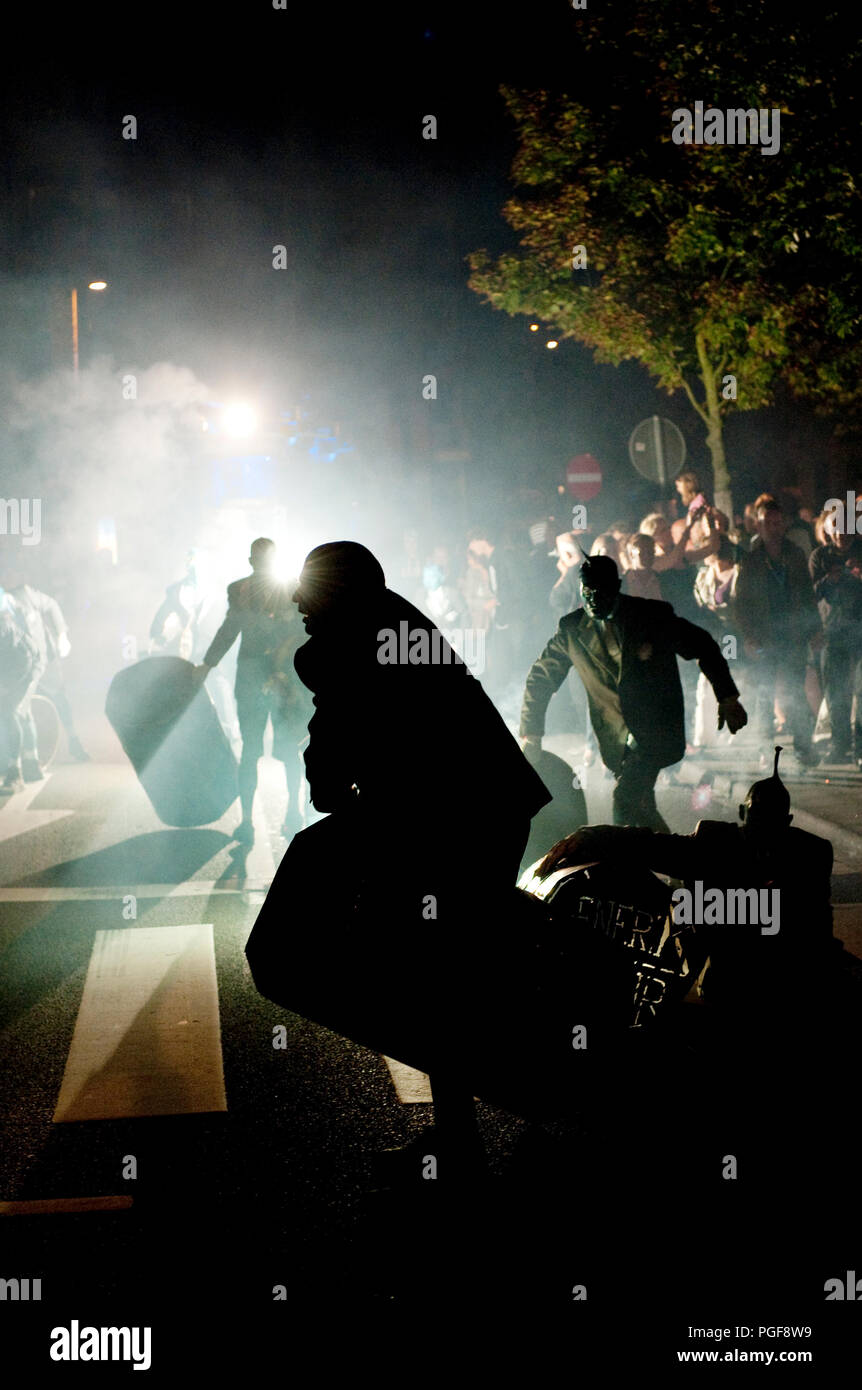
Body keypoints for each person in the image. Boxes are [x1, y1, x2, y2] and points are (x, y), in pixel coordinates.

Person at [245, 540, 552, 1177]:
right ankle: (485, 1125)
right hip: (483, 808)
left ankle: (480, 1132)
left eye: (309, 589)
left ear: (336, 594)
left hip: (456, 818)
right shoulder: (395, 622)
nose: (298, 601)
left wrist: (328, 762)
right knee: (452, 968)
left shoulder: (352, 642)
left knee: (430, 970)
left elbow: (330, 771)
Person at [519, 554, 747, 830]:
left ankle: (627, 868)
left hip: (656, 731)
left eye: (600, 590)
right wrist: (531, 732)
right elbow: (541, 677)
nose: (592, 598)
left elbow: (702, 645)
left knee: (624, 801)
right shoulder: (572, 630)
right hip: (615, 739)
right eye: (586, 590)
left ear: (616, 586)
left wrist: (728, 697)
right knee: (642, 810)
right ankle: (681, 867)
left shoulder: (651, 615)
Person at [194, 538, 304, 844]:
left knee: (285, 750)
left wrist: (207, 664)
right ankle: (254, 819)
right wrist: (208, 663)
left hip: (283, 680)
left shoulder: (289, 589)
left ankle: (288, 814)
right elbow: (229, 629)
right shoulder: (242, 591)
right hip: (263, 680)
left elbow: (302, 631)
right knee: (260, 751)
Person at [735, 496, 822, 768]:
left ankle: (803, 746)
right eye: (767, 523)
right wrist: (748, 636)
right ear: (758, 526)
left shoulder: (795, 555)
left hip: (792, 633)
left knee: (795, 690)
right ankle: (765, 748)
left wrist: (814, 630)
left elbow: (808, 596)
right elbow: (741, 603)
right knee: (765, 692)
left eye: (777, 522)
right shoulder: (751, 561)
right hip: (763, 635)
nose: (774, 527)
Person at [808, 509, 862, 763]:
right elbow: (810, 594)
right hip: (832, 632)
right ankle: (840, 745)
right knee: (836, 692)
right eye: (835, 527)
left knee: (860, 690)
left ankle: (860, 748)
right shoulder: (820, 557)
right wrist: (830, 580)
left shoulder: (860, 550)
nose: (840, 533)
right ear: (827, 530)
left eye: (844, 526)